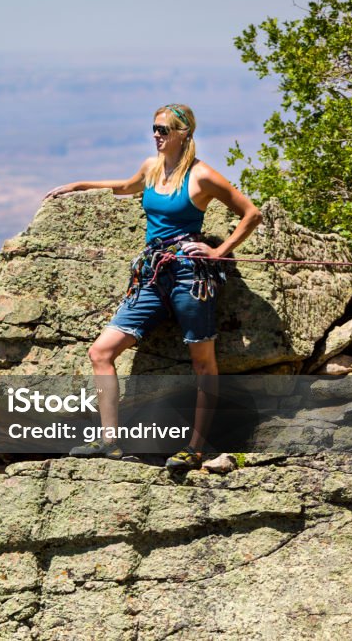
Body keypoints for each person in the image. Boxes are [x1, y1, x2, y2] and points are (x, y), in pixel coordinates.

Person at [44, 104, 262, 470]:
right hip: (152, 274)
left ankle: (195, 448)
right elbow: (127, 186)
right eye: (155, 128)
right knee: (101, 352)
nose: (157, 134)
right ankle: (110, 441)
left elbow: (251, 213)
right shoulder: (152, 167)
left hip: (190, 276)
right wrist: (81, 185)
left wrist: (220, 251)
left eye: (164, 129)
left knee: (203, 363)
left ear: (183, 133)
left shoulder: (202, 176)